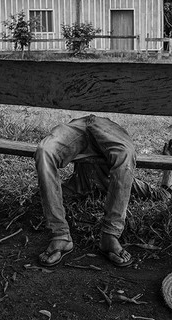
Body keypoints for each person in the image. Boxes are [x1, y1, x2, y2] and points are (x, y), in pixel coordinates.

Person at [34, 114, 136, 268]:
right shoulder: (84, 182)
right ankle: (61, 234)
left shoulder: (127, 180)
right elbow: (162, 192)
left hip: (109, 129)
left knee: (125, 154)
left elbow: (160, 192)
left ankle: (110, 235)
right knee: (44, 151)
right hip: (82, 124)